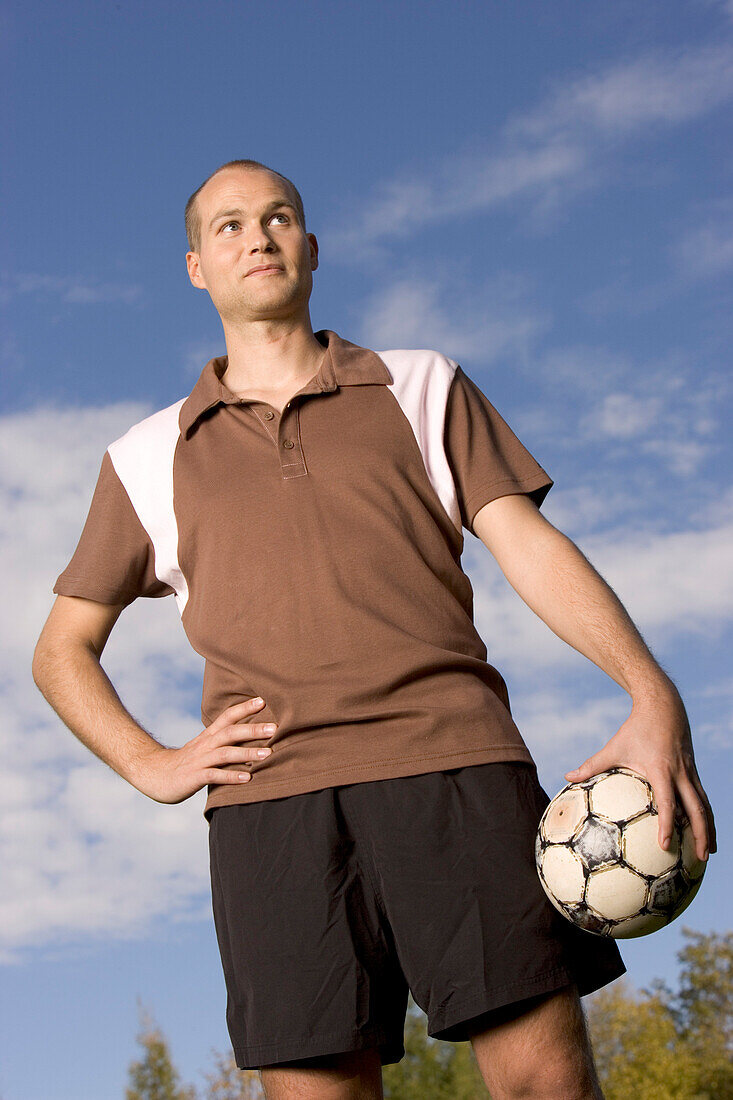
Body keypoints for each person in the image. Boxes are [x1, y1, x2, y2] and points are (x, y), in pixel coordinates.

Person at [33, 158, 716, 1100]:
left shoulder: (421, 385)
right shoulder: (145, 456)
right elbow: (60, 647)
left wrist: (651, 691)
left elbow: (528, 546)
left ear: (309, 248)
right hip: (270, 809)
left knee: (544, 1086)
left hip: (456, 772)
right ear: (196, 265)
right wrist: (155, 764)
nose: (256, 236)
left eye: (277, 218)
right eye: (227, 226)